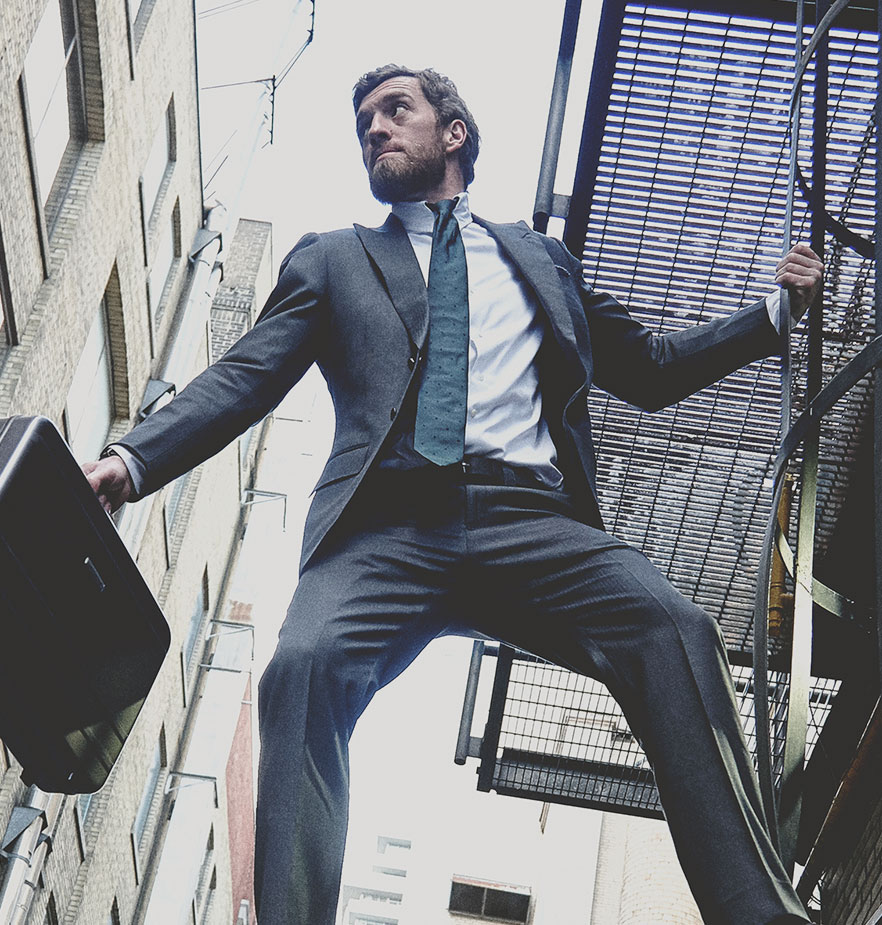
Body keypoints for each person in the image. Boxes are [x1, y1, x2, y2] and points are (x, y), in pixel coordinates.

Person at [84, 64, 823, 924]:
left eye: (395, 110)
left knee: (674, 628)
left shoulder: (541, 260)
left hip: (532, 523)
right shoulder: (334, 260)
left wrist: (772, 315)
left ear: (454, 133)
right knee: (303, 666)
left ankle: (759, 912)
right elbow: (245, 376)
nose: (375, 128)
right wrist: (131, 461)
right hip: (384, 533)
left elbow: (650, 369)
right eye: (363, 121)